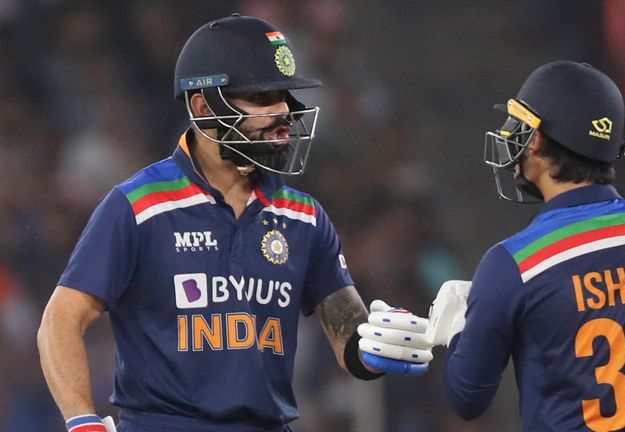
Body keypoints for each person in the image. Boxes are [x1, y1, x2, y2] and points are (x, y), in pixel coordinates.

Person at [37, 14, 427, 432]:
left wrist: (375, 348)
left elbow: (346, 331)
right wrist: (83, 421)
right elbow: (59, 322)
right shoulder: (138, 206)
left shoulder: (304, 217)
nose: (283, 113)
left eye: (284, 95)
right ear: (204, 107)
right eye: (262, 98)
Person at [435, 61, 625, 431]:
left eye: (519, 124)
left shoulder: (513, 264)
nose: (510, 135)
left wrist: (456, 333)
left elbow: (467, 399)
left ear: (536, 140)